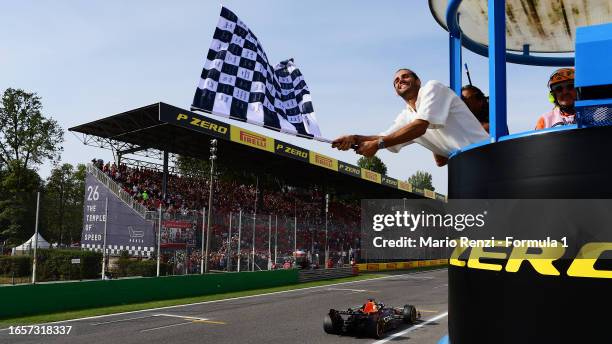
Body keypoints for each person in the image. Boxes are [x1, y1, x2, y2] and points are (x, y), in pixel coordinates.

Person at [332, 69, 488, 167]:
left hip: (488, 156)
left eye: (405, 76)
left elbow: (419, 127)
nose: (400, 80)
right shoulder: (407, 115)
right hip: (465, 166)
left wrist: (377, 145)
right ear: (396, 92)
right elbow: (385, 137)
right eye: (396, 81)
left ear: (418, 81)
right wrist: (354, 138)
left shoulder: (432, 88)